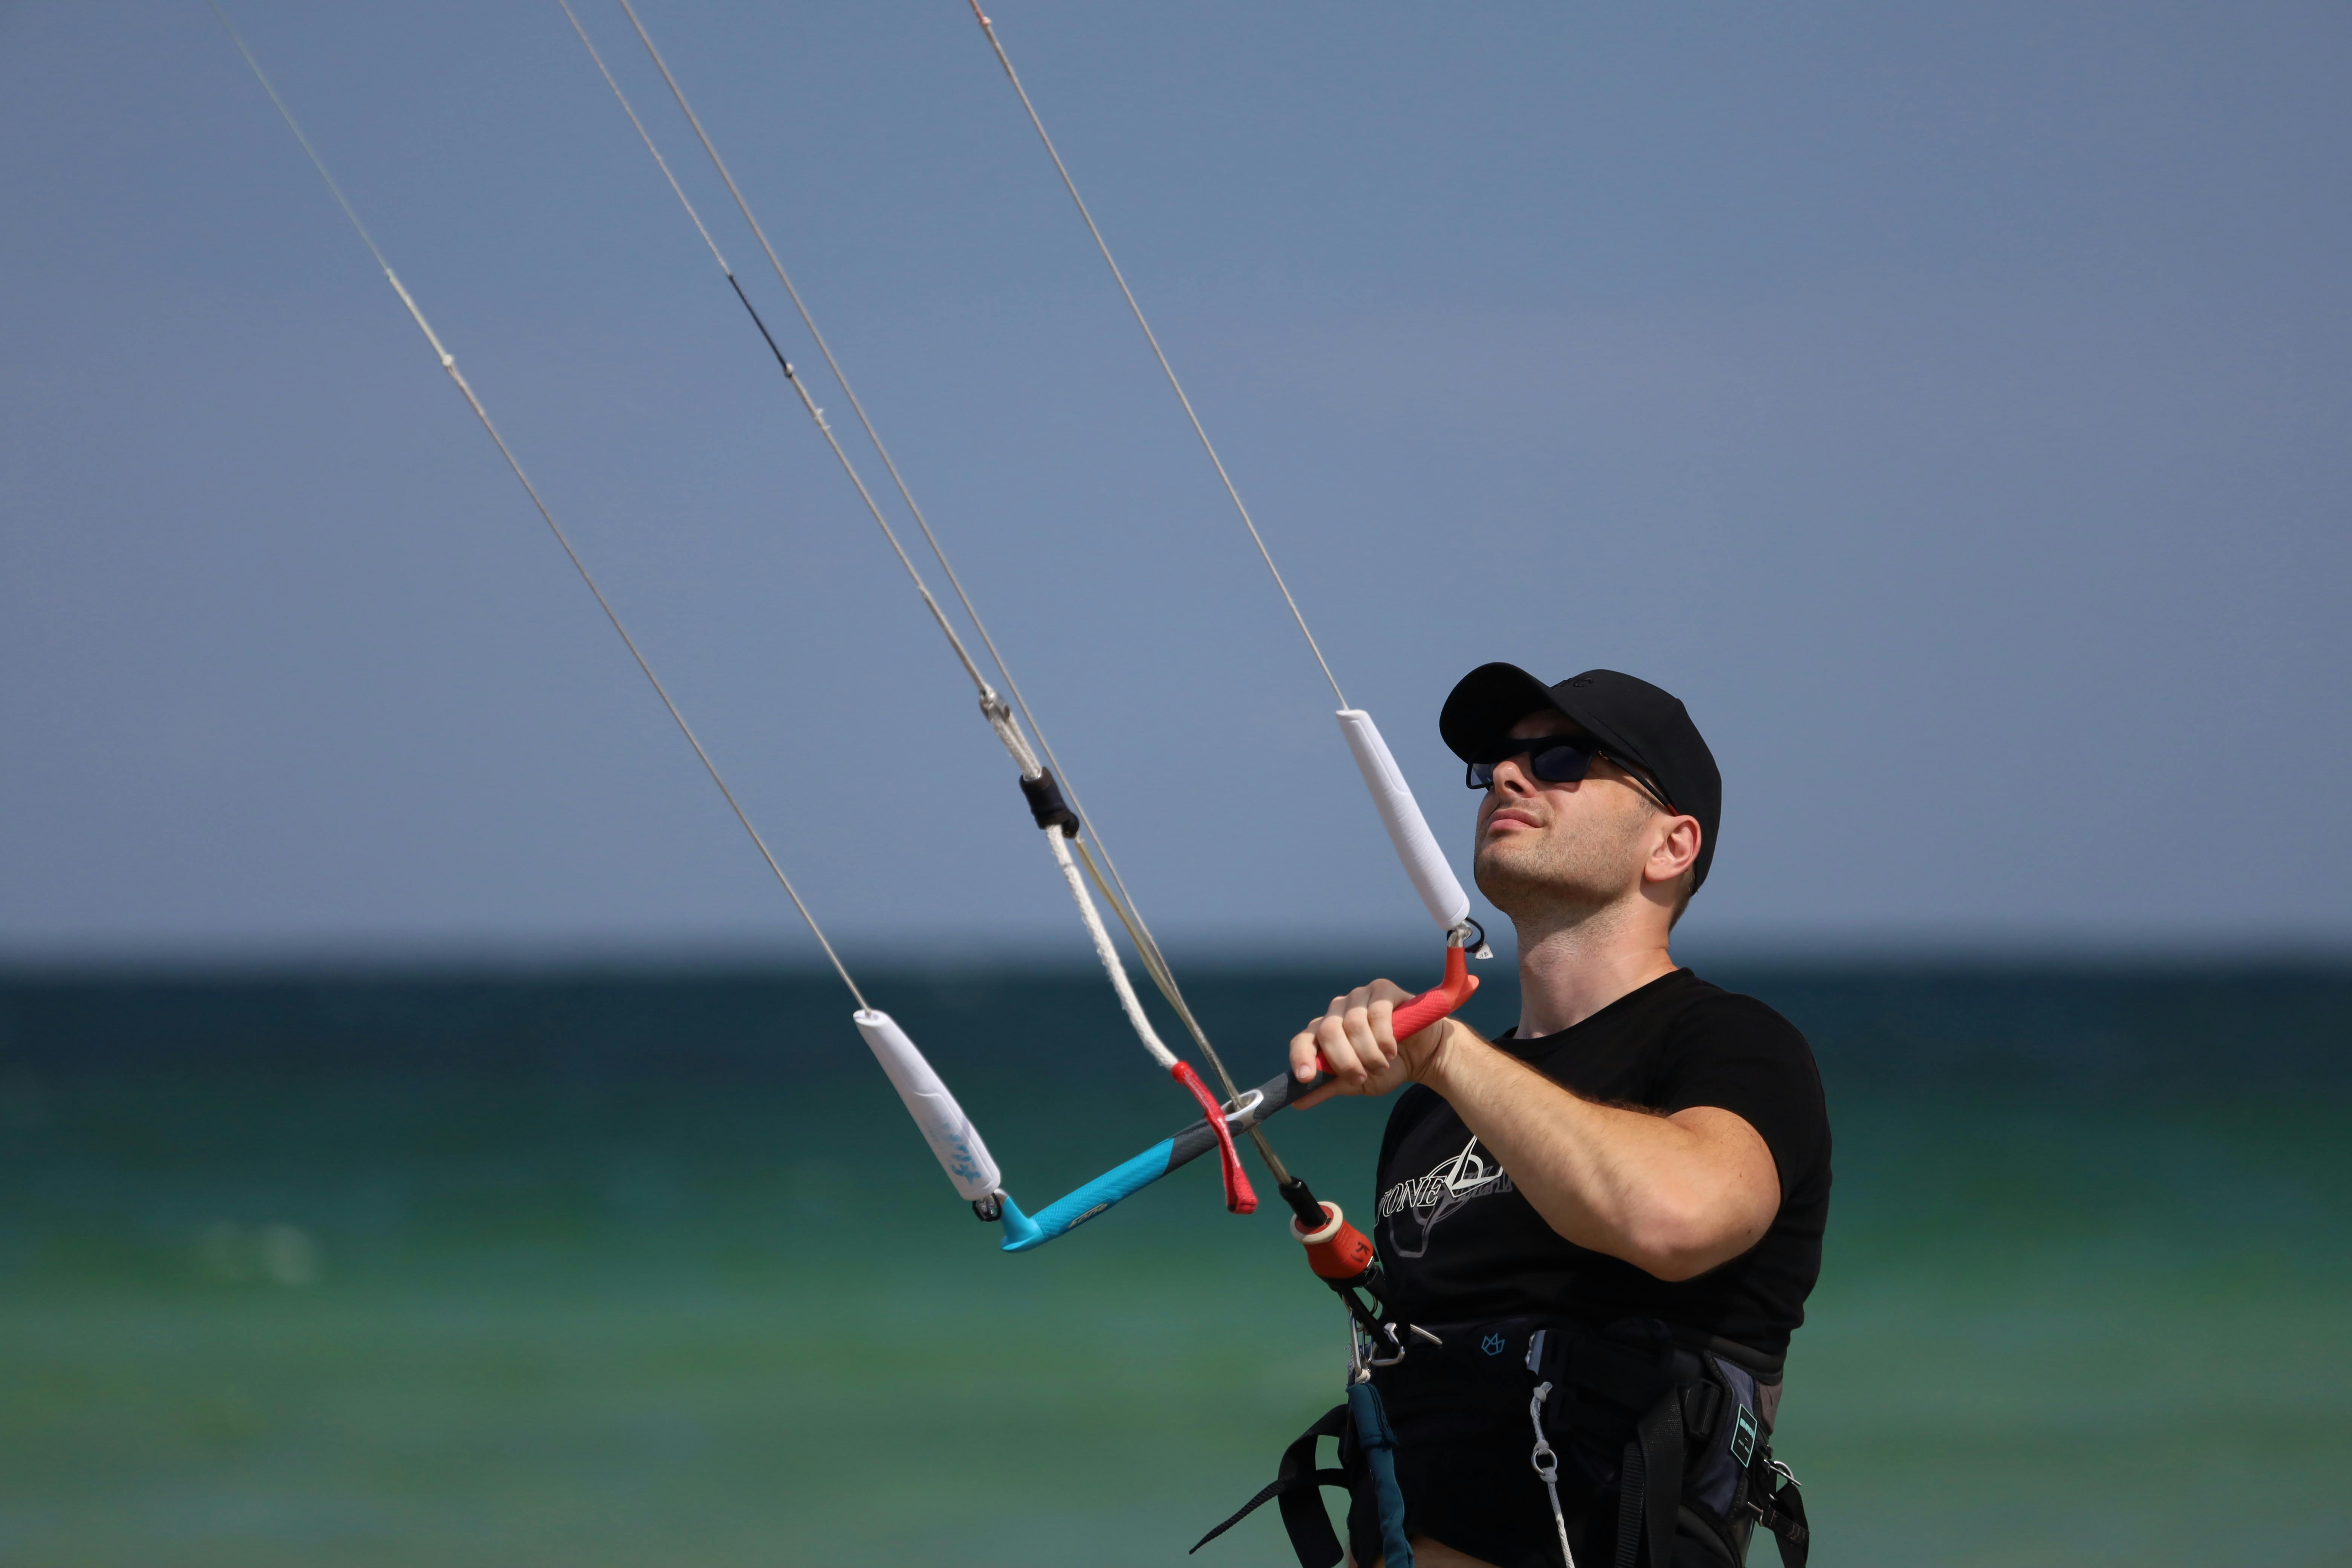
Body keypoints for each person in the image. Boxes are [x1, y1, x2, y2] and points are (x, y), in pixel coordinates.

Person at [1285, 664, 1830, 1568]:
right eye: (1499, 762)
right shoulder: (1428, 1110)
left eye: (1563, 760)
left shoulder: (1738, 1045)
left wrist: (1446, 1051)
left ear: (1672, 845)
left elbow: (1675, 1216)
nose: (1507, 776)